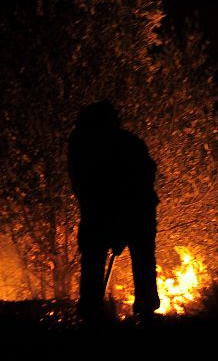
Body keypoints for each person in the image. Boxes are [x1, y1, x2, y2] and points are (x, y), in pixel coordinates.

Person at [67, 100, 160, 322]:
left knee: (95, 257)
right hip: (125, 211)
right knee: (140, 258)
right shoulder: (128, 143)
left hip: (126, 210)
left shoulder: (82, 144)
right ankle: (144, 309)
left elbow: (82, 184)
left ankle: (92, 310)